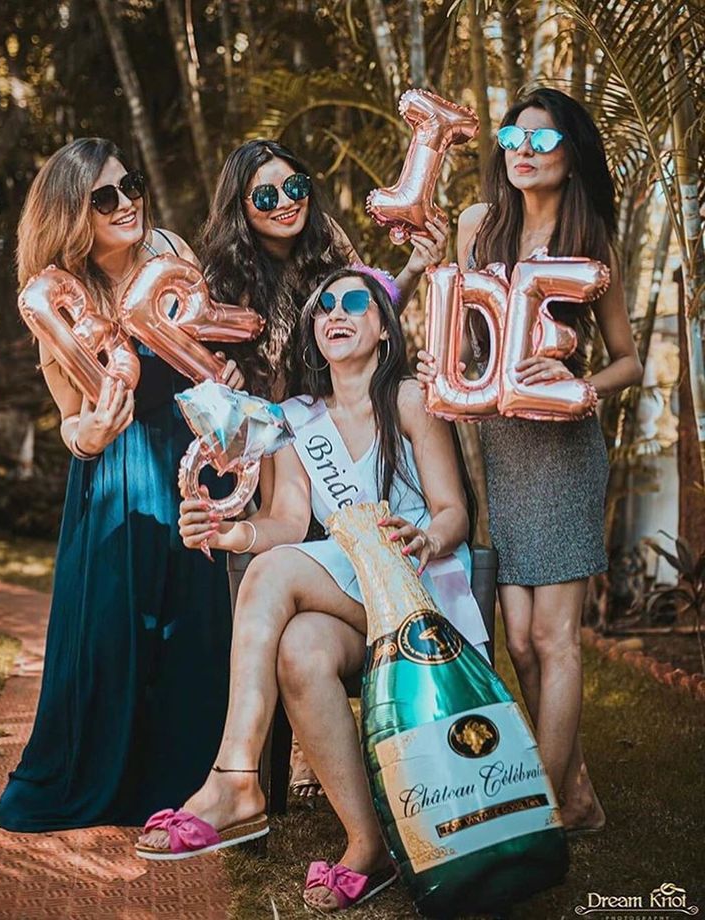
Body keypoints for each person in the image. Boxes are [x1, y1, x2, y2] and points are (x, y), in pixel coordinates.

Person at [136, 267, 488, 912]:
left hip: (420, 588)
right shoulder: (296, 419)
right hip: (354, 593)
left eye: (355, 301)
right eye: (322, 306)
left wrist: (427, 539)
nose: (336, 312)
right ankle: (369, 843)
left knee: (278, 575)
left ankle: (236, 777)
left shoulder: (409, 398)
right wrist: (228, 532)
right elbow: (288, 524)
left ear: (384, 326)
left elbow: (452, 510)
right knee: (301, 648)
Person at [0, 137, 242, 831]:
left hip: (188, 458)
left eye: (129, 185)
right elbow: (71, 423)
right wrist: (92, 437)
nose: (127, 202)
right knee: (112, 635)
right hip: (115, 475)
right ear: (74, 213)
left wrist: (226, 380)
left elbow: (207, 351)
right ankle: (106, 780)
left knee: (192, 623)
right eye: (105, 197)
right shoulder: (57, 298)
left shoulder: (169, 249)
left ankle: (189, 782)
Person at [417, 88, 643, 834]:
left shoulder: (591, 241)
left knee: (554, 636)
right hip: (503, 454)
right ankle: (578, 795)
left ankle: (539, 811)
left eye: (541, 139)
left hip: (565, 452)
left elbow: (629, 364)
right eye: (512, 134)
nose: (521, 148)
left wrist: (580, 384)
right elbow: (463, 334)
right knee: (517, 638)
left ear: (571, 153)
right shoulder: (478, 228)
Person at [200, 138, 448, 796]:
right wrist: (221, 378)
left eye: (294, 186)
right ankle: (271, 774)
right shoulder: (223, 278)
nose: (284, 203)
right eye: (264, 195)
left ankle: (259, 772)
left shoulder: (330, 247)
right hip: (273, 446)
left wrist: (418, 267)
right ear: (240, 209)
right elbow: (204, 372)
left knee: (286, 575)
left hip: (339, 436)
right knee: (268, 571)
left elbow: (366, 305)